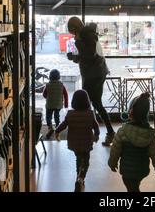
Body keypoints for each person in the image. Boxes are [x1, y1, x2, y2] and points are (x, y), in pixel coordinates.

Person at [67, 17, 115, 146]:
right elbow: (86, 57)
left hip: (94, 75)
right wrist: (74, 57)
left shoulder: (87, 36)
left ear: (75, 28)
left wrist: (77, 44)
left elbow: (90, 55)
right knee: (94, 103)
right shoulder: (87, 35)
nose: (72, 35)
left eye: (72, 31)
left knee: (88, 103)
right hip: (95, 73)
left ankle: (90, 132)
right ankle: (105, 132)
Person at [108, 92, 155, 192]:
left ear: (130, 112)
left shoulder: (122, 131)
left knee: (132, 188)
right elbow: (154, 152)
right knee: (134, 187)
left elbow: (115, 150)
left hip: (127, 171)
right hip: (142, 170)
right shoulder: (149, 134)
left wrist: (112, 163)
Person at [55, 90, 100, 192]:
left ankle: (78, 175)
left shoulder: (70, 114)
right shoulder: (90, 114)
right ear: (87, 101)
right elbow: (96, 126)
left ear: (74, 101)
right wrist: (96, 135)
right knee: (86, 160)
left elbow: (64, 124)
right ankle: (81, 177)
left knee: (79, 158)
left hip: (74, 142)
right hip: (87, 141)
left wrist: (57, 131)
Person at [43, 69, 69, 134]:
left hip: (50, 104)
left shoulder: (48, 85)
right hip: (58, 104)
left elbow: (44, 94)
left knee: (48, 116)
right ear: (59, 76)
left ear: (50, 76)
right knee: (56, 115)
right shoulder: (61, 85)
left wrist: (48, 97)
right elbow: (66, 95)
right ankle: (57, 126)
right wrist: (66, 104)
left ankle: (50, 127)